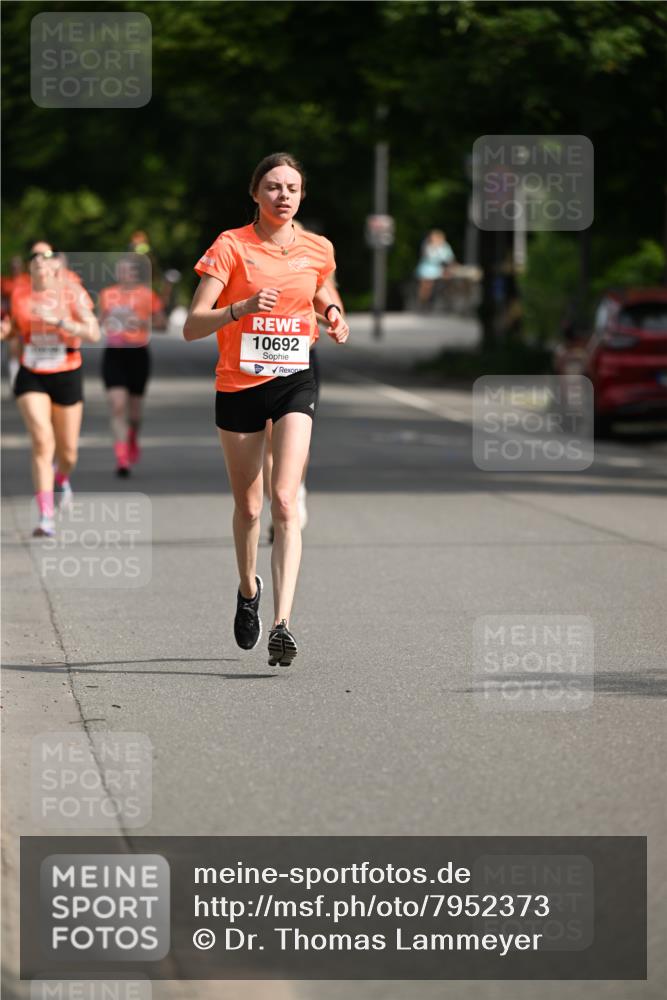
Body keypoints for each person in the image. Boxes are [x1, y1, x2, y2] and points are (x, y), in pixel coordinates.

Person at [184, 152, 349, 666]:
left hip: (294, 379)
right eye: (274, 187)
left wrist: (333, 312)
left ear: (302, 196)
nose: (283, 196)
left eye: (292, 188)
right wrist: (239, 308)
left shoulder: (317, 247)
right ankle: (247, 589)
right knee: (250, 507)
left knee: (284, 500)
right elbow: (192, 324)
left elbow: (322, 286)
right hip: (239, 384)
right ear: (255, 193)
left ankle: (282, 623)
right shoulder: (231, 246)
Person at [2, 242, 100, 536]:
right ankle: (45, 516)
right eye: (35, 259)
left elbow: (93, 332)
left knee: (68, 453)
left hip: (67, 373)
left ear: (57, 265)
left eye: (47, 258)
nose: (41, 263)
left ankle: (62, 477)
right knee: (42, 441)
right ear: (30, 267)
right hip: (32, 373)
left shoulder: (72, 291)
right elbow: (16, 330)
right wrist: (7, 332)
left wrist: (60, 322)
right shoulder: (20, 293)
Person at [99, 255, 165, 475]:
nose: (124, 275)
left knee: (134, 414)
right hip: (114, 353)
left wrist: (142, 322)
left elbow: (161, 323)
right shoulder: (107, 294)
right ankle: (122, 457)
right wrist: (104, 323)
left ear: (136, 274)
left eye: (128, 271)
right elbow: (98, 320)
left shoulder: (147, 295)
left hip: (138, 354)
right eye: (121, 271)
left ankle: (132, 437)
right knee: (117, 405)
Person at [415, 229, 455, 309]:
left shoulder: (445, 246)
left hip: (440, 269)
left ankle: (444, 302)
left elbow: (449, 258)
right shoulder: (428, 245)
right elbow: (428, 257)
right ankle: (423, 303)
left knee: (449, 281)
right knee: (426, 285)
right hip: (427, 269)